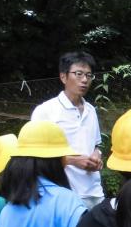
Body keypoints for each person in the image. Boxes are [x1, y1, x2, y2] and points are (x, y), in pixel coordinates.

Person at [31, 51, 104, 209]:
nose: (84, 80)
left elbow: (96, 145)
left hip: (95, 192)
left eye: (89, 75)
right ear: (63, 77)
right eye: (78, 74)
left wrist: (96, 156)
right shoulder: (45, 111)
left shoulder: (91, 111)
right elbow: (34, 156)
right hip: (62, 194)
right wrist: (73, 160)